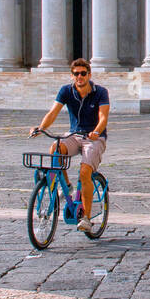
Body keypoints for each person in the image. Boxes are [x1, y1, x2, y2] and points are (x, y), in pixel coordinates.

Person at [29, 59, 109, 233]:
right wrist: (41, 128)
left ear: (89, 74)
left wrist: (96, 131)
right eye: (76, 74)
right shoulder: (66, 91)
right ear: (72, 75)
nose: (79, 77)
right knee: (55, 148)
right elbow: (53, 112)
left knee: (85, 172)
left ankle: (86, 218)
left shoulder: (101, 92)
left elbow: (103, 117)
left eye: (83, 73)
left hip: (94, 138)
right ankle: (66, 185)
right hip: (74, 134)